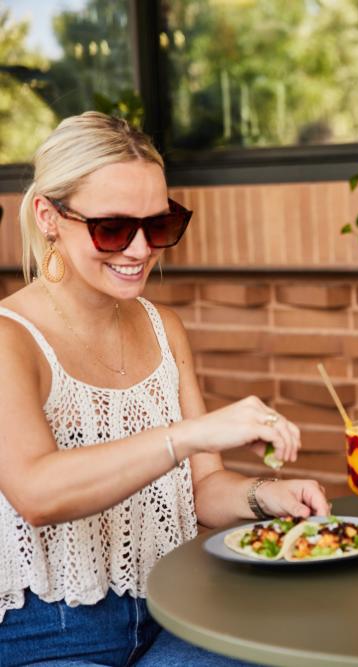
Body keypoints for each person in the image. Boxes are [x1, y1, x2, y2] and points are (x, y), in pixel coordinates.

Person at [0, 112, 329, 665]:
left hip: (174, 605)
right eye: (111, 228)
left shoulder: (162, 326)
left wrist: (261, 496)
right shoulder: (12, 339)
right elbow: (37, 493)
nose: (138, 250)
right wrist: (190, 434)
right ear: (49, 217)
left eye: (158, 226)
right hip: (48, 634)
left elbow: (201, 488)